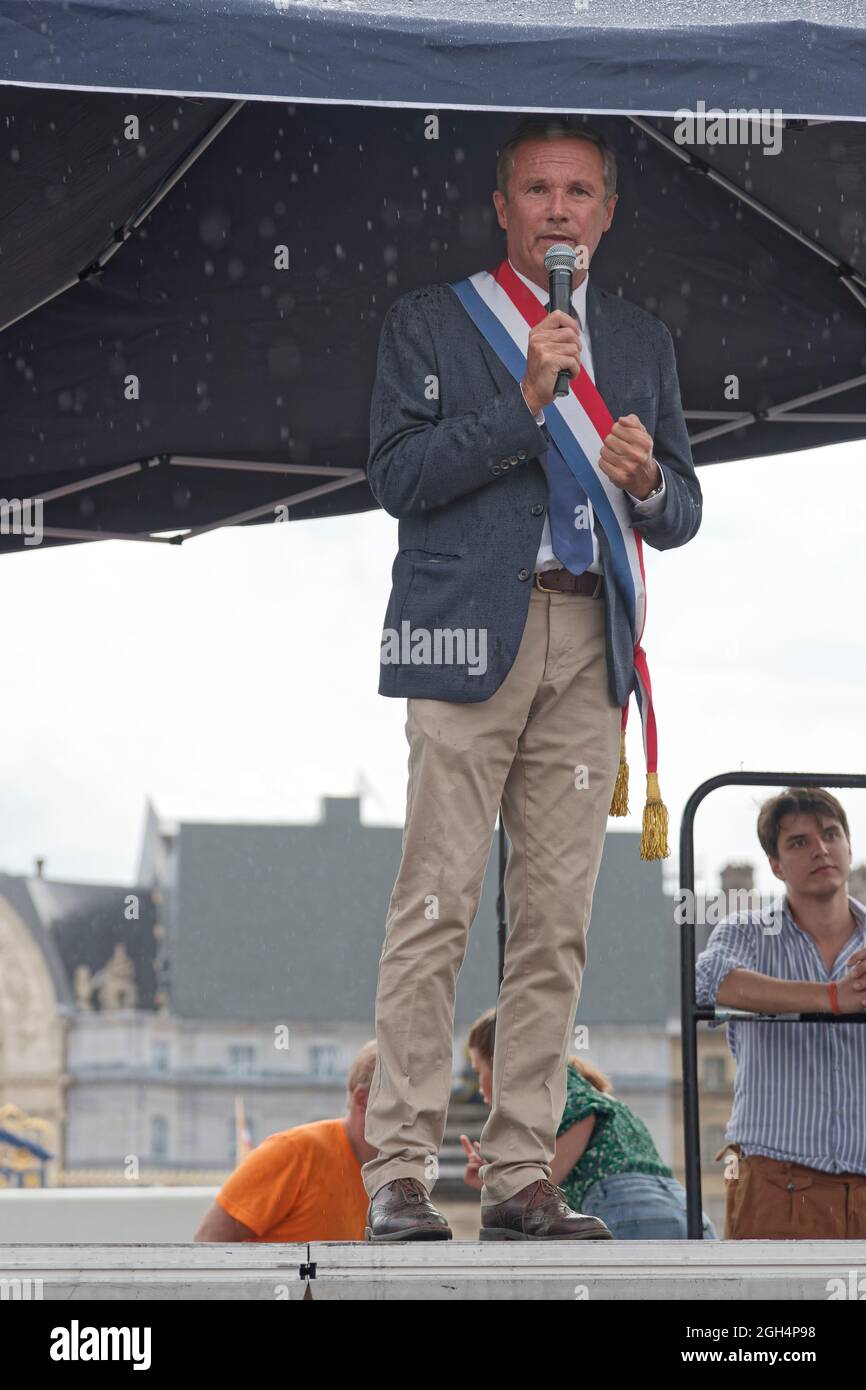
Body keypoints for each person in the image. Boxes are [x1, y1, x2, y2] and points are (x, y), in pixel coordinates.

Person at [362, 113, 702, 1243]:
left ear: (606, 212)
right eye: (536, 190)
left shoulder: (644, 337)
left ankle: (517, 1176)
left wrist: (648, 481)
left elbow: (684, 509)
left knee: (553, 926)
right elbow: (399, 474)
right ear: (502, 208)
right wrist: (520, 403)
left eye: (577, 191)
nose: (558, 209)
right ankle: (401, 1171)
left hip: (587, 645)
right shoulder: (430, 320)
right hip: (465, 639)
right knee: (434, 906)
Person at [695, 787, 866, 1239]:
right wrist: (833, 997)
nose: (820, 849)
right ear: (775, 865)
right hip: (776, 1182)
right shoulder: (745, 930)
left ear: (850, 847)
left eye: (831, 834)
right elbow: (711, 983)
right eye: (799, 842)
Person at [461, 1006, 717, 1239]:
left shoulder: (554, 1085)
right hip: (686, 1210)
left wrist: (502, 1182)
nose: (479, 1086)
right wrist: (498, 1181)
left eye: (477, 1071)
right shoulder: (582, 1087)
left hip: (630, 1211)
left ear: (501, 1064)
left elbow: (539, 1187)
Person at [193, 1042, 379, 1242]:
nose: (416, 1115)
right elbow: (208, 1241)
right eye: (407, 1103)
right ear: (363, 1100)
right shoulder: (294, 1153)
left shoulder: (403, 1175)